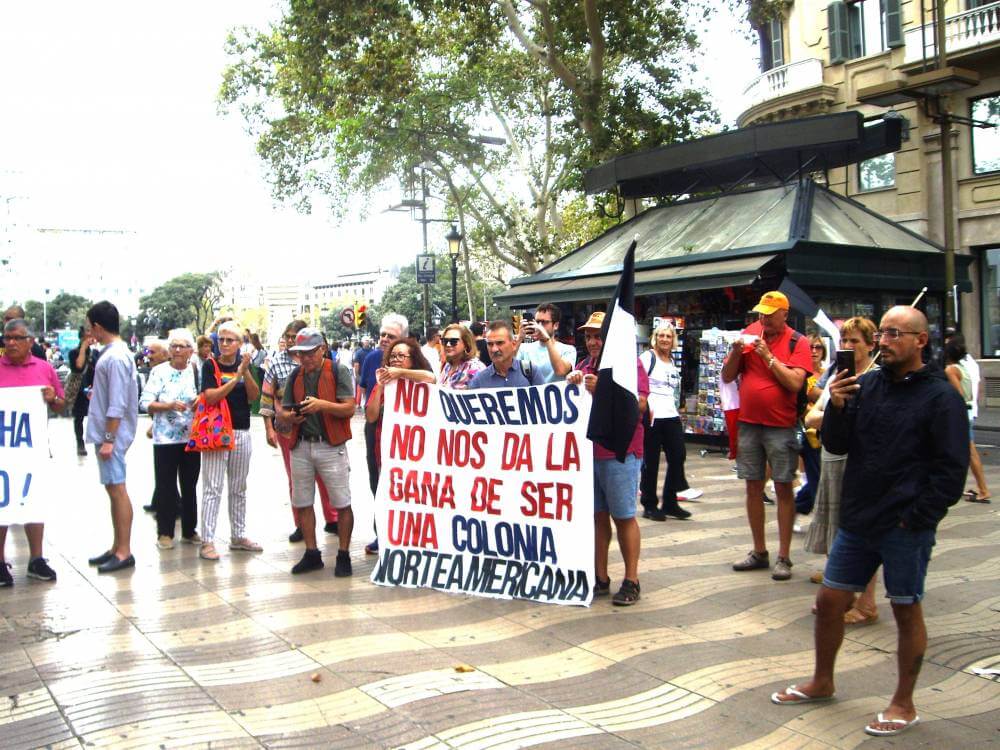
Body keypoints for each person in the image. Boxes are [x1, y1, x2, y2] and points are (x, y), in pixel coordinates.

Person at [771, 306, 969, 738]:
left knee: (905, 607)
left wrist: (917, 518)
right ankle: (822, 680)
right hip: (859, 519)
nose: (884, 340)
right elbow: (839, 445)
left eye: (895, 333)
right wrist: (839, 406)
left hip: (904, 525)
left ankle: (903, 702)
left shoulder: (941, 396)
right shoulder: (869, 384)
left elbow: (950, 471)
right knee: (829, 604)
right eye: (881, 332)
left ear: (921, 340)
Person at [721, 290, 812, 581]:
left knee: (784, 486)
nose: (763, 319)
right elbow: (726, 376)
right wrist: (736, 351)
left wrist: (769, 358)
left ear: (784, 314)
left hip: (780, 425)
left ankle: (784, 556)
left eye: (770, 314)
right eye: (761, 313)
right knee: (752, 487)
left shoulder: (799, 342)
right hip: (749, 423)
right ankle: (759, 551)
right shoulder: (750, 332)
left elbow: (796, 383)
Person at [566, 312, 649, 606]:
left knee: (623, 515)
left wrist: (603, 390)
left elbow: (640, 403)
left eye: (597, 335)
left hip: (619, 451)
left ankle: (632, 579)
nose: (592, 342)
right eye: (588, 336)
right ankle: (600, 577)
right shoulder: (584, 366)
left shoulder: (629, 364)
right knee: (598, 516)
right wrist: (572, 382)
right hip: (589, 453)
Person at [803, 317, 880, 624]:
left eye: (855, 342)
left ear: (870, 345)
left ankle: (867, 602)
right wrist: (836, 415)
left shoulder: (876, 377)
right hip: (833, 458)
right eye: (844, 341)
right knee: (837, 528)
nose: (848, 347)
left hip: (862, 464)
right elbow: (812, 417)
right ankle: (842, 594)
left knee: (864, 532)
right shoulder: (838, 373)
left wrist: (839, 416)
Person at [275, 328, 356, 577]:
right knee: (302, 501)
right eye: (301, 354)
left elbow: (349, 408)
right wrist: (288, 416)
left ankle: (343, 554)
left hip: (330, 446)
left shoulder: (337, 370)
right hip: (302, 445)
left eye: (310, 353)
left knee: (341, 501)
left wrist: (322, 405)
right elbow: (285, 411)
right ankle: (311, 553)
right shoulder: (295, 375)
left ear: (322, 349)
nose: (306, 358)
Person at [260, 320, 340, 543]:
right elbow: (267, 398)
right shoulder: (276, 364)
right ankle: (301, 524)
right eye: (289, 335)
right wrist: (270, 427)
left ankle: (332, 518)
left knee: (327, 477)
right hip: (290, 432)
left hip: (324, 429)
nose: (293, 340)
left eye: (297, 335)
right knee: (296, 481)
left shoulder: (325, 363)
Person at [0, 318, 65, 587]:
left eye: (17, 337)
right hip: (4, 452)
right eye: (7, 337)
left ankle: (36, 559)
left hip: (32, 450)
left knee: (33, 500)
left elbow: (61, 406)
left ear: (30, 341)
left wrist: (53, 399)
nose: (11, 342)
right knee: (2, 503)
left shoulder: (44, 369)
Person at [198, 320, 262, 561]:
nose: (224, 344)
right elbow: (211, 397)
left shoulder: (245, 365)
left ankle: (238, 535)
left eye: (230, 340)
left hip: (242, 429)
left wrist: (244, 371)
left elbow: (254, 397)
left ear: (240, 344)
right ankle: (207, 540)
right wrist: (235, 379)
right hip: (217, 432)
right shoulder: (210, 365)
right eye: (221, 339)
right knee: (212, 488)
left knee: (239, 486)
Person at [365, 338, 436, 549]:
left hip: (417, 456)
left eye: (401, 356)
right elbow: (370, 416)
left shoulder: (419, 380)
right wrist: (379, 388)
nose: (395, 360)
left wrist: (401, 374)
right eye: (393, 356)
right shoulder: (385, 384)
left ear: (412, 359)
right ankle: (387, 537)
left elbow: (431, 378)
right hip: (386, 454)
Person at [85, 301, 140, 574]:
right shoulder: (112, 354)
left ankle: (123, 551)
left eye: (89, 326)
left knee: (118, 490)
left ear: (97, 326)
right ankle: (116, 545)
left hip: (113, 437)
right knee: (112, 489)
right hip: (108, 434)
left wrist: (109, 438)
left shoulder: (116, 357)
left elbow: (117, 403)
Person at [139, 328, 201, 550]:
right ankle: (164, 532)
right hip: (165, 439)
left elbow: (204, 396)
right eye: (173, 345)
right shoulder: (159, 372)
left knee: (190, 484)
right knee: (165, 485)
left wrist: (199, 403)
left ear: (190, 351)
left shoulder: (196, 370)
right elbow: (145, 403)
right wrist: (168, 405)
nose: (176, 350)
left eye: (182, 346)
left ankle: (189, 529)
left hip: (191, 437)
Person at [359, 314, 407, 555]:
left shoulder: (413, 362)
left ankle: (404, 534)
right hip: (376, 428)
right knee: (376, 481)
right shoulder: (371, 359)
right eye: (383, 335)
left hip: (405, 432)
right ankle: (382, 533)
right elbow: (366, 395)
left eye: (392, 336)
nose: (385, 340)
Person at [639, 324, 697, 521]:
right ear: (655, 337)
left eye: (668, 336)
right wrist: (643, 406)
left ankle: (670, 502)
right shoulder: (648, 357)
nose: (665, 339)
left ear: (673, 340)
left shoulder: (671, 361)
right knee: (651, 461)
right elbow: (637, 381)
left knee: (678, 456)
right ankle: (649, 504)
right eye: (661, 335)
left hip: (671, 415)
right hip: (652, 416)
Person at [943, 337, 990, 503]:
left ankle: (983, 490)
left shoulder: (951, 370)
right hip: (968, 412)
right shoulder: (965, 367)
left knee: (970, 451)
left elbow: (958, 395)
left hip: (961, 414)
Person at [794, 334, 827, 519]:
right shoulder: (801, 372)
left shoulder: (827, 373)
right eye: (811, 347)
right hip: (808, 432)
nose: (814, 351)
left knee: (820, 475)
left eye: (818, 347)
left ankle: (796, 506)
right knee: (818, 477)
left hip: (827, 431)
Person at [469, 320, 545, 389]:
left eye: (500, 343)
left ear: (514, 344)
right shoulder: (479, 380)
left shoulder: (531, 372)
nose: (494, 349)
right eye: (490, 344)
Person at [514, 303, 576, 383]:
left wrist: (547, 340)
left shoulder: (568, 349)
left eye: (544, 322)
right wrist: (519, 339)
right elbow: (508, 370)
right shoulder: (523, 348)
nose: (539, 326)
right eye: (537, 322)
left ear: (556, 325)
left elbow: (560, 371)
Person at [68, 327, 98, 456]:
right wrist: (83, 348)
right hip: (79, 389)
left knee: (97, 415)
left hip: (93, 388)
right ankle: (80, 443)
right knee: (78, 417)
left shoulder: (95, 353)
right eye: (88, 334)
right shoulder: (73, 353)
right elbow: (79, 366)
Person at [438, 323, 486, 390]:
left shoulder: (475, 367)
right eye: (445, 341)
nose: (448, 345)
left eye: (453, 341)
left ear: (466, 344)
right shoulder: (448, 366)